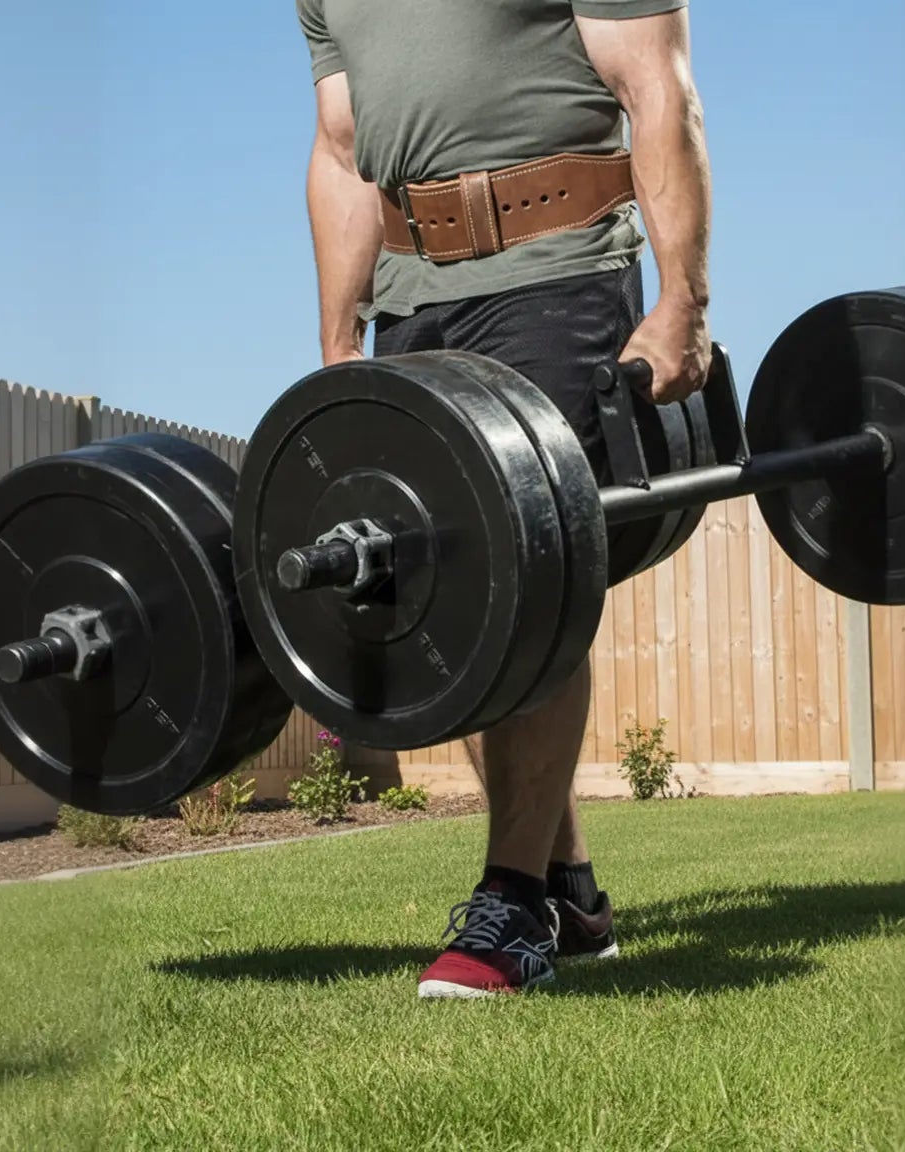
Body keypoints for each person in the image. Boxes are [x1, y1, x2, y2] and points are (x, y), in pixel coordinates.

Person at [296, 0, 714, 998]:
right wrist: (334, 352)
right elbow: (340, 149)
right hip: (412, 298)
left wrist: (680, 301)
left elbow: (653, 84)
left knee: (528, 574)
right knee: (456, 603)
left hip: (559, 270)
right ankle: (565, 887)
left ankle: (511, 904)